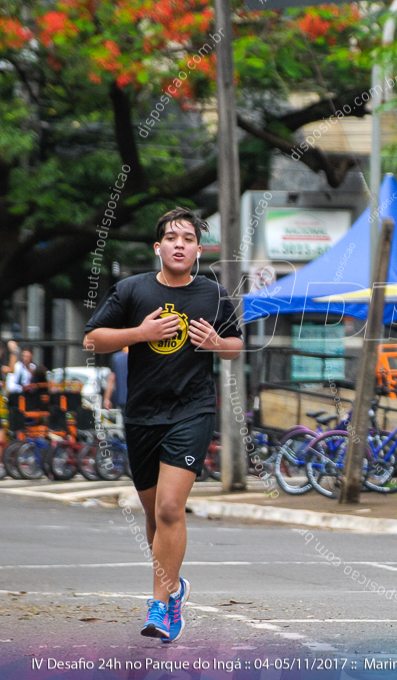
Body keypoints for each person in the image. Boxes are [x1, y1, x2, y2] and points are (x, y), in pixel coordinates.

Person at [83, 207, 243, 644]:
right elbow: (92, 338)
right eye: (171, 237)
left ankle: (162, 606)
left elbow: (236, 345)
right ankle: (173, 587)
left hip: (191, 411)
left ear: (197, 249)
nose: (179, 244)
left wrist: (216, 343)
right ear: (158, 248)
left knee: (171, 508)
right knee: (155, 516)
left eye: (187, 238)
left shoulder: (212, 294)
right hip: (141, 416)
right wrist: (139, 333)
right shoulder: (132, 290)